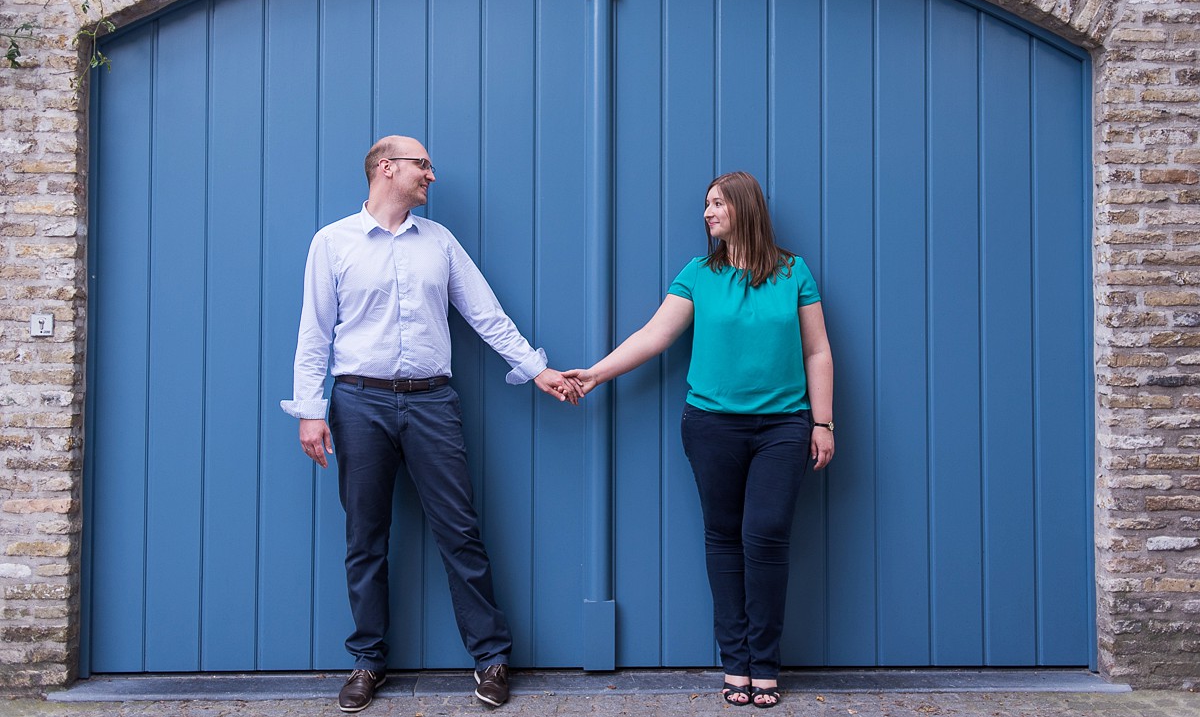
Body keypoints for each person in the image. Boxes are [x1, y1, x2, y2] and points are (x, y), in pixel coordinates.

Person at [280, 136, 581, 713]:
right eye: (422, 165)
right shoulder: (333, 243)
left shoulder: (439, 243)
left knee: (459, 530)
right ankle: (367, 660)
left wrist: (536, 369)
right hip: (358, 404)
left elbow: (485, 314)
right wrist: (310, 412)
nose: (431, 176)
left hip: (431, 404)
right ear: (385, 169)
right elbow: (314, 334)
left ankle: (491, 658)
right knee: (364, 537)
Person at [564, 171, 834, 709]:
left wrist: (822, 423)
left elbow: (817, 352)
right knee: (723, 537)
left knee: (767, 534)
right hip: (712, 425)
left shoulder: (793, 272)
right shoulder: (699, 274)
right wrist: (595, 374)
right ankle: (737, 663)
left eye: (717, 204)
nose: (707, 213)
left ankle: (766, 661)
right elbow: (654, 336)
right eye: (706, 205)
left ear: (745, 207)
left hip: (784, 427)